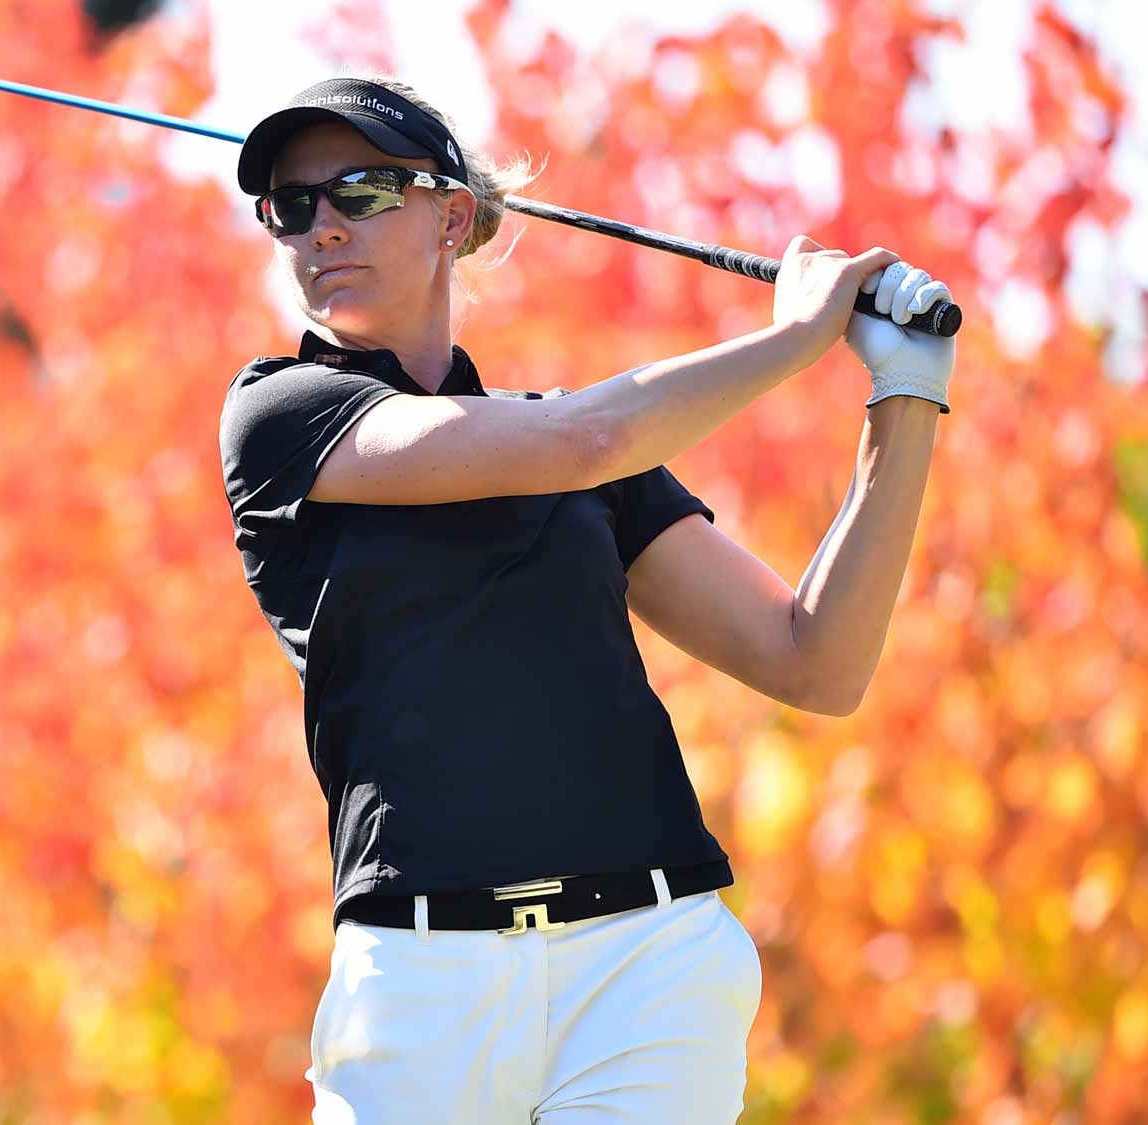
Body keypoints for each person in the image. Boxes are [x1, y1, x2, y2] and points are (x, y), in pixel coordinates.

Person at [217, 74, 955, 1123]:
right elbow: (587, 438)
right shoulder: (279, 415)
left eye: (363, 191)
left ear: (451, 214)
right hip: (421, 989)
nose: (322, 226)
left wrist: (905, 392)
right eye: (293, 206)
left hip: (643, 969)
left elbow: (813, 661)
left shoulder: (581, 456)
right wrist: (795, 339)